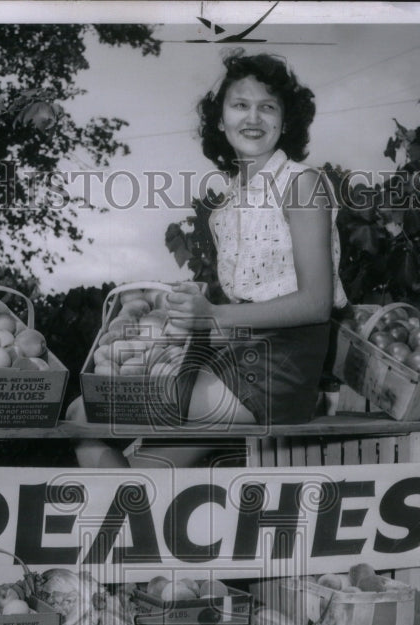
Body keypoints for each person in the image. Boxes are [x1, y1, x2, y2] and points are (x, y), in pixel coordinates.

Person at [69, 51, 347, 469]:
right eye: (240, 105)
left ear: (285, 122)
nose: (253, 117)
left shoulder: (301, 184)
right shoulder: (226, 207)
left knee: (82, 416)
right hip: (236, 357)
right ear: (220, 120)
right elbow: (244, 304)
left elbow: (315, 304)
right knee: (145, 474)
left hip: (280, 369)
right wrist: (180, 315)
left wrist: (212, 315)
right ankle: (138, 534)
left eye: (267, 107)